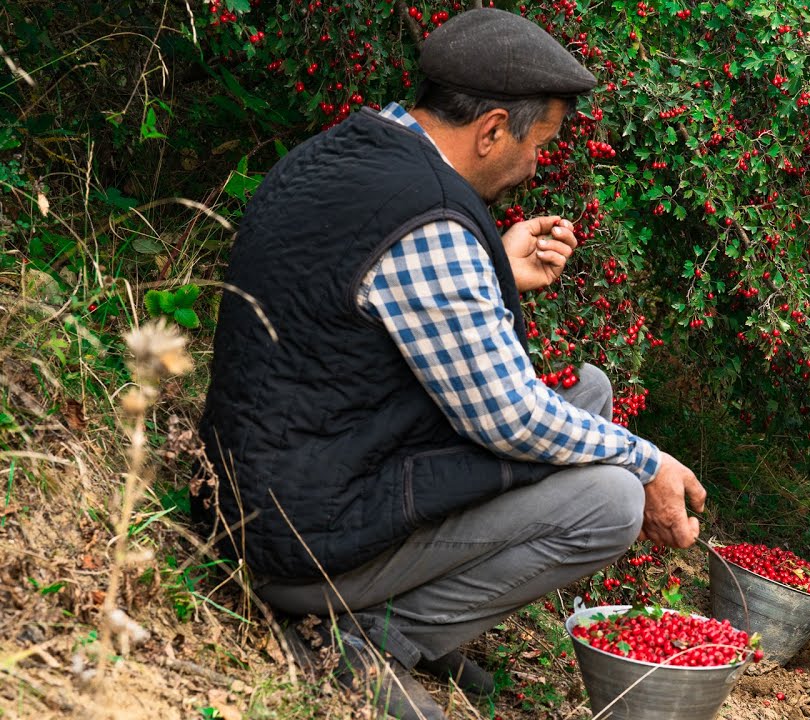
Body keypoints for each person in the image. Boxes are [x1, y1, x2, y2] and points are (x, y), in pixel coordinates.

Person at [195, 9, 706, 719]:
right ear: (492, 129)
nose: (536, 164)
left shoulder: (353, 150)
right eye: (539, 143)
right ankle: (368, 635)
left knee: (587, 392)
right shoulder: (431, 217)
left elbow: (376, 301)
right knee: (611, 501)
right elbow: (510, 417)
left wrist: (494, 264)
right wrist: (649, 463)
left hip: (277, 480)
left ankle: (398, 612)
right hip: (299, 541)